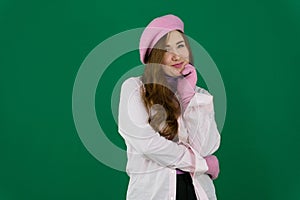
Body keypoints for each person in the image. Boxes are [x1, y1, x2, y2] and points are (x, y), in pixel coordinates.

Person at [118, 14, 221, 200]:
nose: (176, 55)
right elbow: (147, 144)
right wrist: (202, 165)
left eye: (180, 46)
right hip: (154, 193)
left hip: (197, 191)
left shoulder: (199, 95)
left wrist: (189, 97)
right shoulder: (134, 89)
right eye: (166, 49)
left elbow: (206, 147)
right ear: (154, 56)